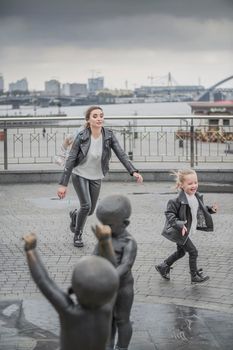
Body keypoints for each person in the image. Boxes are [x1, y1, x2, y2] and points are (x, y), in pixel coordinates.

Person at [57, 105, 143, 248]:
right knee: (86, 206)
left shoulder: (108, 135)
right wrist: (63, 184)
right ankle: (77, 234)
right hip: (80, 174)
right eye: (95, 116)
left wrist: (133, 171)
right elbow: (71, 159)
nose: (99, 119)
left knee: (90, 210)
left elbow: (121, 153)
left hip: (96, 175)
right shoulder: (81, 136)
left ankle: (74, 215)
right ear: (88, 120)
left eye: (101, 116)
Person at [22, 225, 119, 350]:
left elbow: (44, 282)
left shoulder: (69, 311)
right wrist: (106, 241)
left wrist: (30, 250)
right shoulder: (106, 308)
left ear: (73, 289)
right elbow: (112, 273)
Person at [155, 168, 218, 284]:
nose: (194, 185)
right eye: (190, 183)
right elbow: (169, 214)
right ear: (181, 185)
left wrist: (211, 210)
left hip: (186, 230)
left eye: (195, 182)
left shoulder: (196, 196)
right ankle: (194, 275)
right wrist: (180, 225)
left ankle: (163, 266)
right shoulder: (176, 201)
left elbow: (200, 209)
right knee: (193, 252)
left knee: (181, 252)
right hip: (179, 231)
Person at [93, 194, 137, 350]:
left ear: (125, 223)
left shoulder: (129, 242)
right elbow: (94, 257)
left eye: (109, 225)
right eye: (102, 223)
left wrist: (109, 277)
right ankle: (108, 345)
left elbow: (126, 265)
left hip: (123, 288)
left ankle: (122, 347)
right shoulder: (105, 238)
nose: (105, 228)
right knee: (108, 318)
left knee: (122, 319)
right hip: (106, 287)